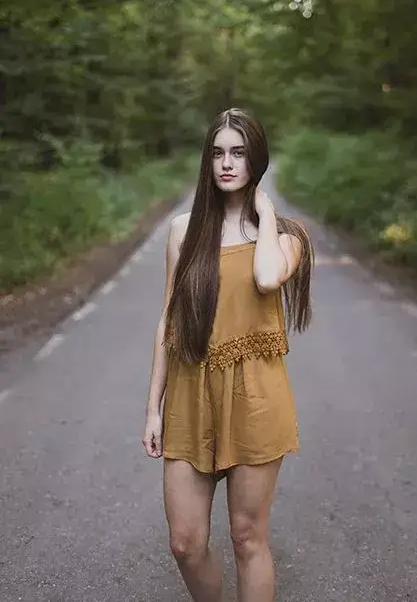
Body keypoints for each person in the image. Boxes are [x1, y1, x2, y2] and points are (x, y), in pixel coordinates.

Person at [142, 107, 314, 602]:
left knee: (246, 536)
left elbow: (265, 278)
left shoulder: (286, 238)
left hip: (257, 396)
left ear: (256, 160)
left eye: (239, 153)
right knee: (185, 542)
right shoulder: (184, 230)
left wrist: (263, 210)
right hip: (191, 392)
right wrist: (153, 407)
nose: (226, 163)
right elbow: (168, 321)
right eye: (217, 153)